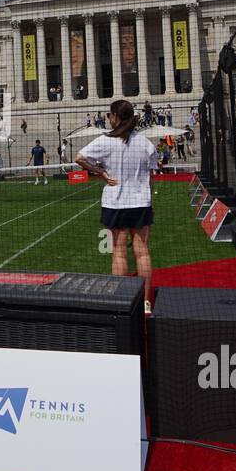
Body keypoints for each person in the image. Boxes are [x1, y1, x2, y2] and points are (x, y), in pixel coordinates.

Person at [75, 100, 160, 314]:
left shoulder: (105, 141)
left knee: (119, 253)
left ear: (115, 116)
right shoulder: (145, 143)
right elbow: (150, 176)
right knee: (142, 253)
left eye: (110, 115)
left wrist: (101, 172)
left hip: (116, 203)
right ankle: (146, 303)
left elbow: (79, 158)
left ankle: (123, 302)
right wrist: (151, 202)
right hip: (140, 202)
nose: (108, 119)